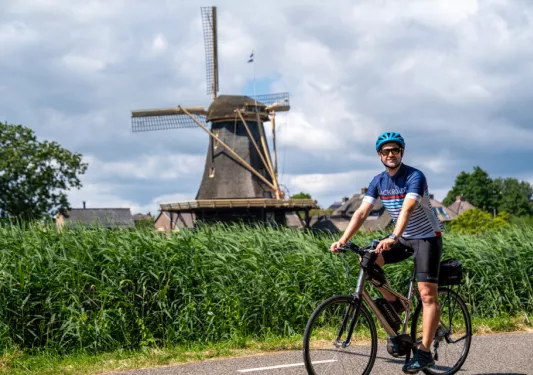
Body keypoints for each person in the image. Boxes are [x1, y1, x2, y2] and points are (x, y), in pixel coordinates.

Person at [330, 131, 443, 374]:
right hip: (403, 237)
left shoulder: (415, 176)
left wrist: (392, 237)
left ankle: (424, 353)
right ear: (379, 155)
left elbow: (408, 208)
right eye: (386, 151)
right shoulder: (378, 181)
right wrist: (342, 239)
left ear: (401, 152)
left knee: (426, 294)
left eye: (395, 150)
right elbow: (361, 213)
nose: (391, 154)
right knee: (367, 259)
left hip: (426, 238)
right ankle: (393, 301)